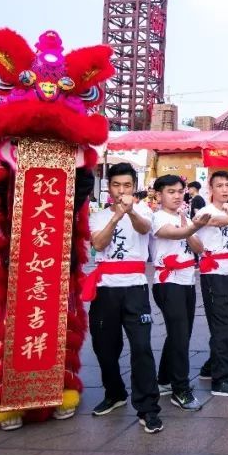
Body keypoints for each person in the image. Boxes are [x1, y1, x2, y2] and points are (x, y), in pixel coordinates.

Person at [85, 163, 162, 434]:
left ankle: (148, 408)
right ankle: (115, 392)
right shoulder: (97, 216)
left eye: (126, 185)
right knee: (105, 348)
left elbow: (143, 229)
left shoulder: (143, 212)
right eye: (116, 185)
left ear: (135, 187)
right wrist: (116, 216)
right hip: (105, 289)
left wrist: (128, 212)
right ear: (108, 187)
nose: (121, 191)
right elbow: (98, 244)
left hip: (135, 288)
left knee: (141, 348)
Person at [150, 174, 209, 412]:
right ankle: (180, 389)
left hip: (186, 281)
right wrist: (194, 226)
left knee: (179, 334)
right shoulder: (157, 217)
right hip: (167, 282)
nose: (176, 196)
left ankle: (164, 380)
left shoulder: (182, 216)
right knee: (180, 335)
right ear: (159, 194)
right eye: (170, 192)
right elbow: (172, 234)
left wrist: (190, 226)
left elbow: (199, 248)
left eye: (179, 191)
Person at [193, 170, 228, 396]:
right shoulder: (205, 210)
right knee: (221, 325)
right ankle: (220, 379)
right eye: (220, 186)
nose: (225, 189)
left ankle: (212, 366)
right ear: (211, 189)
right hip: (213, 273)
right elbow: (213, 222)